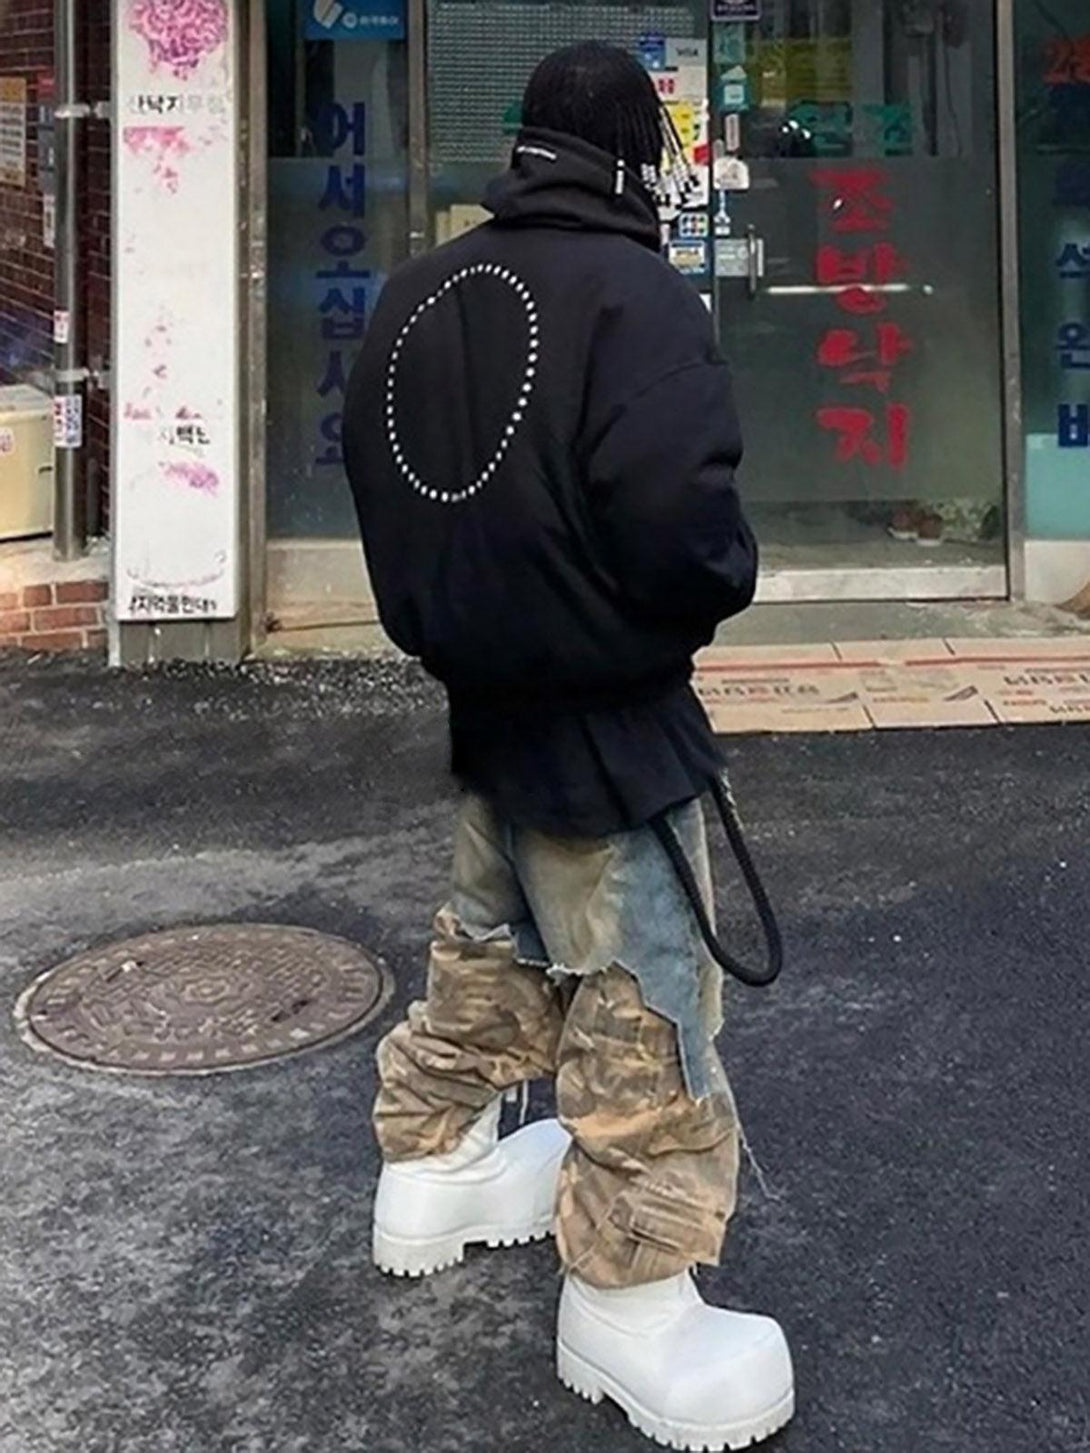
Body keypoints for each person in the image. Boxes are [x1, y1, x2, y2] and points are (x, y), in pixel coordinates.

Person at [343, 41, 794, 1452]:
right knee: (646, 1003)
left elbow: (377, 487)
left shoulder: (414, 295)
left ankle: (431, 1164)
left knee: (484, 949)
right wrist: (709, 586)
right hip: (611, 731)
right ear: (636, 161)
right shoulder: (634, 295)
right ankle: (633, 1303)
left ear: (525, 143)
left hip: (483, 709)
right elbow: (681, 529)